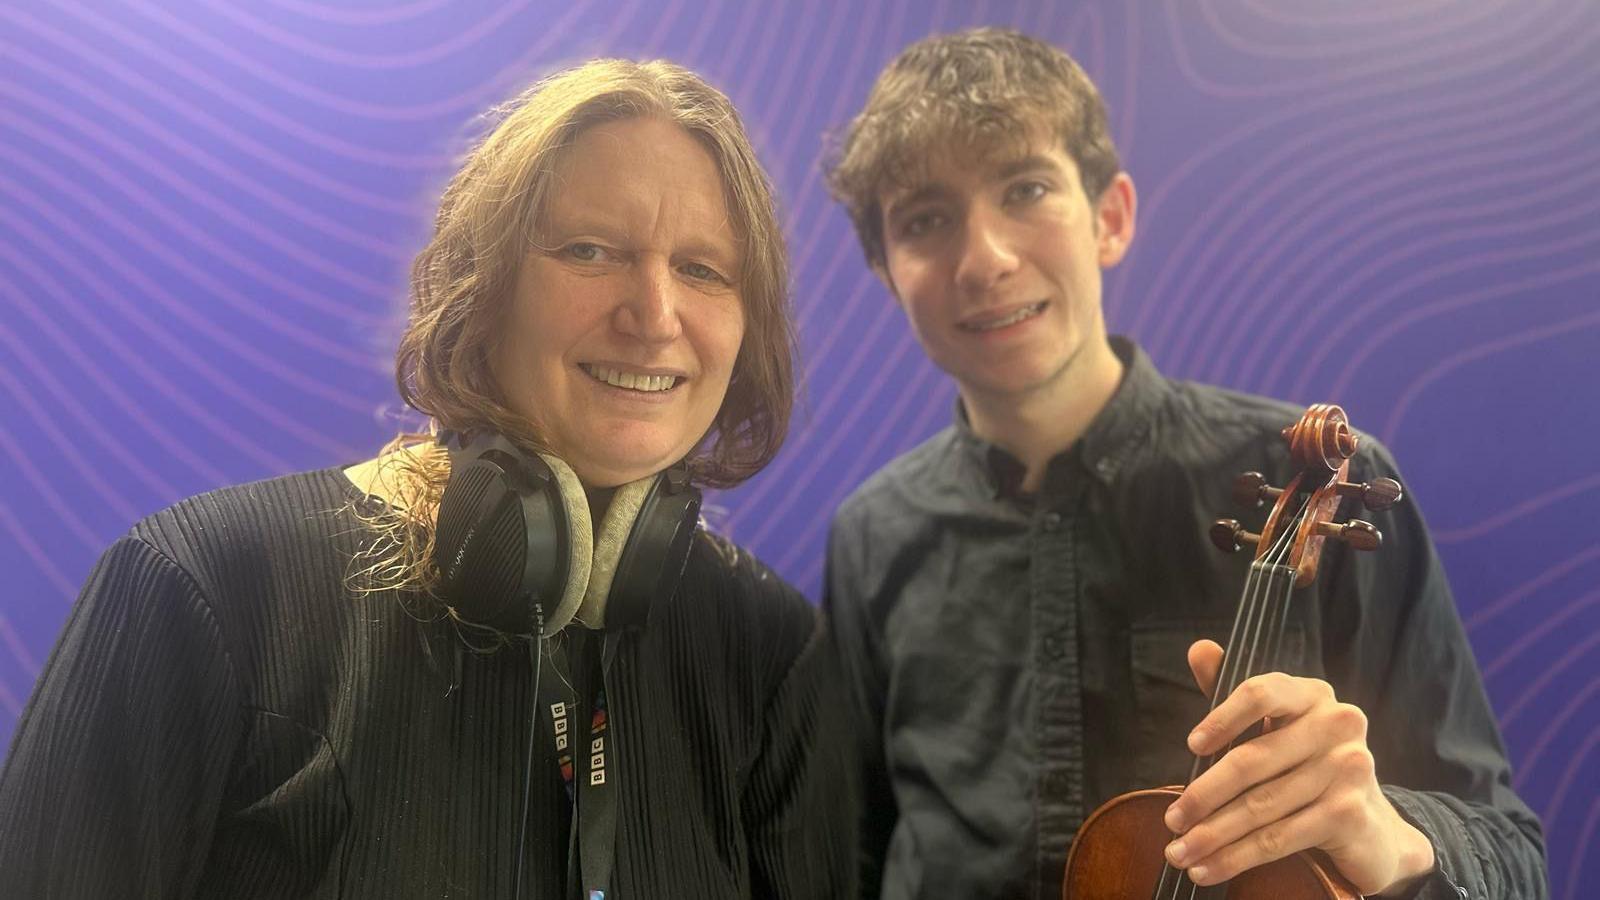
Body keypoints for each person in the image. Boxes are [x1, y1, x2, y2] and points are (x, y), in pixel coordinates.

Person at [0, 59, 855, 899]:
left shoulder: (768, 650)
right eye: (591, 250)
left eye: (703, 269)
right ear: (484, 290)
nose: (656, 314)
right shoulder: (204, 586)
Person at [821, 27, 1546, 900]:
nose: (985, 260)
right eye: (926, 221)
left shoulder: (1317, 479)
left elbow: (1510, 855)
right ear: (887, 268)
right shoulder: (871, 535)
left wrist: (1393, 837)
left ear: (1111, 218)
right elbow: (850, 858)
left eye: (1026, 188)